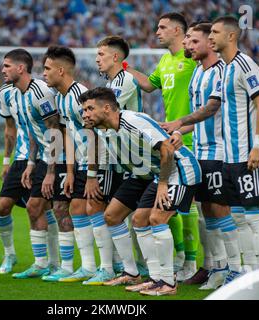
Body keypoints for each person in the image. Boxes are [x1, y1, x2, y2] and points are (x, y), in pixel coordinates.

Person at [165, 16, 259, 272]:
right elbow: (210, 109)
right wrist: (178, 125)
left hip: (248, 153)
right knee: (237, 216)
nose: (210, 37)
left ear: (231, 36)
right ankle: (247, 272)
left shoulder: (245, 64)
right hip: (230, 157)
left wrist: (257, 145)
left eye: (214, 32)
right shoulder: (224, 70)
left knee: (255, 217)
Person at [81, 87, 202, 296]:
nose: (85, 114)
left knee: (156, 218)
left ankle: (167, 283)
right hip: (152, 173)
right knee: (128, 218)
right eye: (84, 110)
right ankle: (146, 276)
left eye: (90, 109)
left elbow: (166, 148)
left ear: (107, 108)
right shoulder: (106, 129)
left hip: (181, 169)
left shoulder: (133, 120)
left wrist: (162, 184)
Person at [128, 12, 200, 279]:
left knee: (193, 207)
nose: (156, 31)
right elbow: (149, 84)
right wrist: (124, 68)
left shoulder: (193, 59)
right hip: (173, 139)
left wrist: (185, 126)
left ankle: (194, 262)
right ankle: (182, 258)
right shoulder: (166, 59)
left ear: (178, 31)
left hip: (194, 137)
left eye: (162, 27)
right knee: (171, 203)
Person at [172, 23, 242, 289]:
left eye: (193, 40)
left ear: (209, 44)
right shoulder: (197, 74)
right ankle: (218, 267)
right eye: (187, 40)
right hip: (200, 150)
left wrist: (178, 123)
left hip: (219, 150)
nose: (188, 45)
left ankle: (233, 268)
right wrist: (179, 130)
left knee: (220, 210)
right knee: (206, 212)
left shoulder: (220, 71)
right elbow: (198, 118)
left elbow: (212, 109)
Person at [42, 45, 119, 284]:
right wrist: (71, 172)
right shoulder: (63, 98)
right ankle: (87, 267)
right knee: (76, 208)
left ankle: (108, 268)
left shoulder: (81, 97)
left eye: (47, 68)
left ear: (61, 70)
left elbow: (95, 136)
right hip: (83, 164)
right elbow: (69, 136)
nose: (44, 73)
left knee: (95, 209)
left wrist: (93, 175)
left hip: (101, 162)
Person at [0, 48, 62, 276]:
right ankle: (11, 255)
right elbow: (13, 129)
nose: (2, 70)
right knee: (3, 206)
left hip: (50, 155)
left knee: (39, 207)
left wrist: (50, 169)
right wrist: (10, 161)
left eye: (6, 66)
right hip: (27, 156)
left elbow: (54, 131)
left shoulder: (41, 91)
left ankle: (48, 263)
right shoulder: (6, 93)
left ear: (20, 68)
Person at [95, 35, 148, 277]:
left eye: (101, 54)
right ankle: (131, 267)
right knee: (118, 213)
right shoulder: (112, 82)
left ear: (115, 57)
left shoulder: (124, 81)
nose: (97, 59)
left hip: (137, 159)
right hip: (121, 157)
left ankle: (144, 266)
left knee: (137, 215)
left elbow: (101, 114)